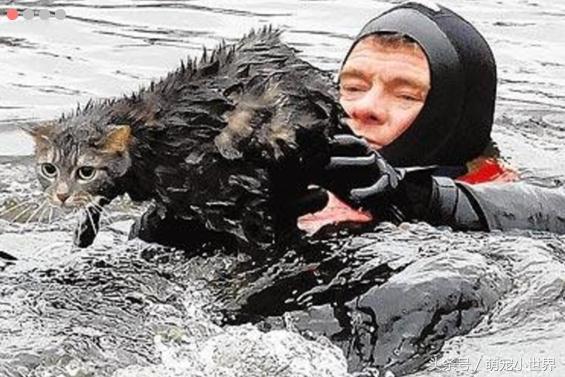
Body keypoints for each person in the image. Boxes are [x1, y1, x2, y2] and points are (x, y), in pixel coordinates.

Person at [297, 1, 565, 236]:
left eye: (405, 95)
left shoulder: (513, 210)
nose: (364, 107)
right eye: (353, 87)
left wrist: (415, 197)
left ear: (454, 121)